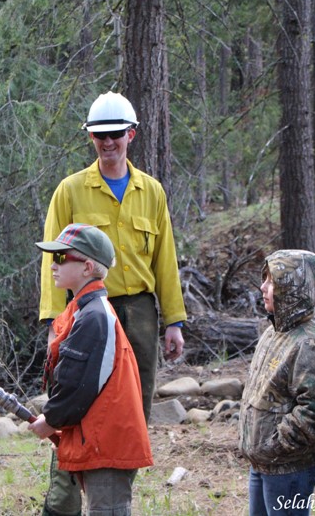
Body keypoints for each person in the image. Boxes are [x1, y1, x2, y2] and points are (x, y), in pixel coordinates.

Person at [38, 91, 187, 515]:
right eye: (99, 136)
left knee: (131, 410)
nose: (108, 143)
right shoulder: (70, 190)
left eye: (115, 135)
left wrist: (173, 321)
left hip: (139, 313)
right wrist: (53, 319)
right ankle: (63, 500)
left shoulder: (151, 192)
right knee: (71, 404)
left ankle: (113, 494)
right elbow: (54, 259)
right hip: (85, 313)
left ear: (131, 135)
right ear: (90, 138)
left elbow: (166, 259)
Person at [29, 223, 152, 516]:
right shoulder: (86, 310)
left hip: (108, 444)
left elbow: (78, 385)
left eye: (61, 258)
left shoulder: (94, 316)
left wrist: (51, 419)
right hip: (100, 441)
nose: (53, 266)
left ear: (86, 267)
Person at [238, 249, 315, 516]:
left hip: (289, 469)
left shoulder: (310, 343)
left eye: (272, 281)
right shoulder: (275, 331)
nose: (262, 287)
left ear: (295, 288)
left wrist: (275, 446)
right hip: (263, 464)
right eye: (265, 279)